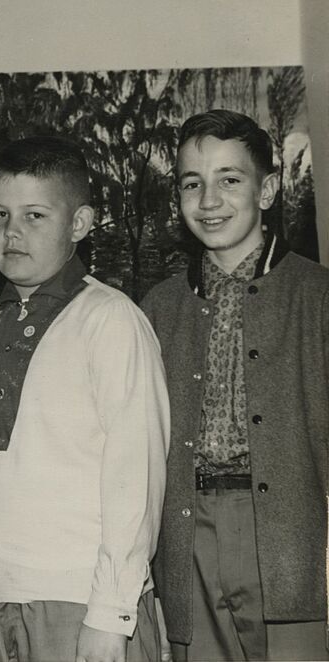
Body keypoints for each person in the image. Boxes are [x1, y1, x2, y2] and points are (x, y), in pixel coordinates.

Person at [0, 135, 170, 662]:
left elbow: (136, 474)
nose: (11, 231)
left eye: (35, 215)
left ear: (80, 224)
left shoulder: (110, 320)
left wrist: (113, 611)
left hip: (83, 603)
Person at [141, 109, 329, 661]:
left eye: (230, 180)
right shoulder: (158, 307)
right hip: (186, 536)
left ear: (267, 189)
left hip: (293, 540)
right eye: (192, 183)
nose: (209, 201)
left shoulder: (317, 297)